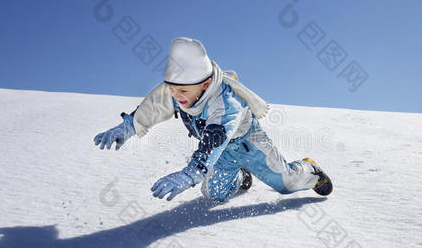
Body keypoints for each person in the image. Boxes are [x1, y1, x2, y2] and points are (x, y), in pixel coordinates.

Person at [93, 37, 332, 202]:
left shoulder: (226, 102)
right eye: (172, 90)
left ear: (206, 84)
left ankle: (310, 169)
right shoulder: (180, 91)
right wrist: (127, 127)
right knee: (214, 194)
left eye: (182, 92)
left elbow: (215, 138)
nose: (176, 97)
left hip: (249, 144)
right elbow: (153, 106)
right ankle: (241, 176)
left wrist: (191, 173)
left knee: (286, 185)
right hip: (221, 153)